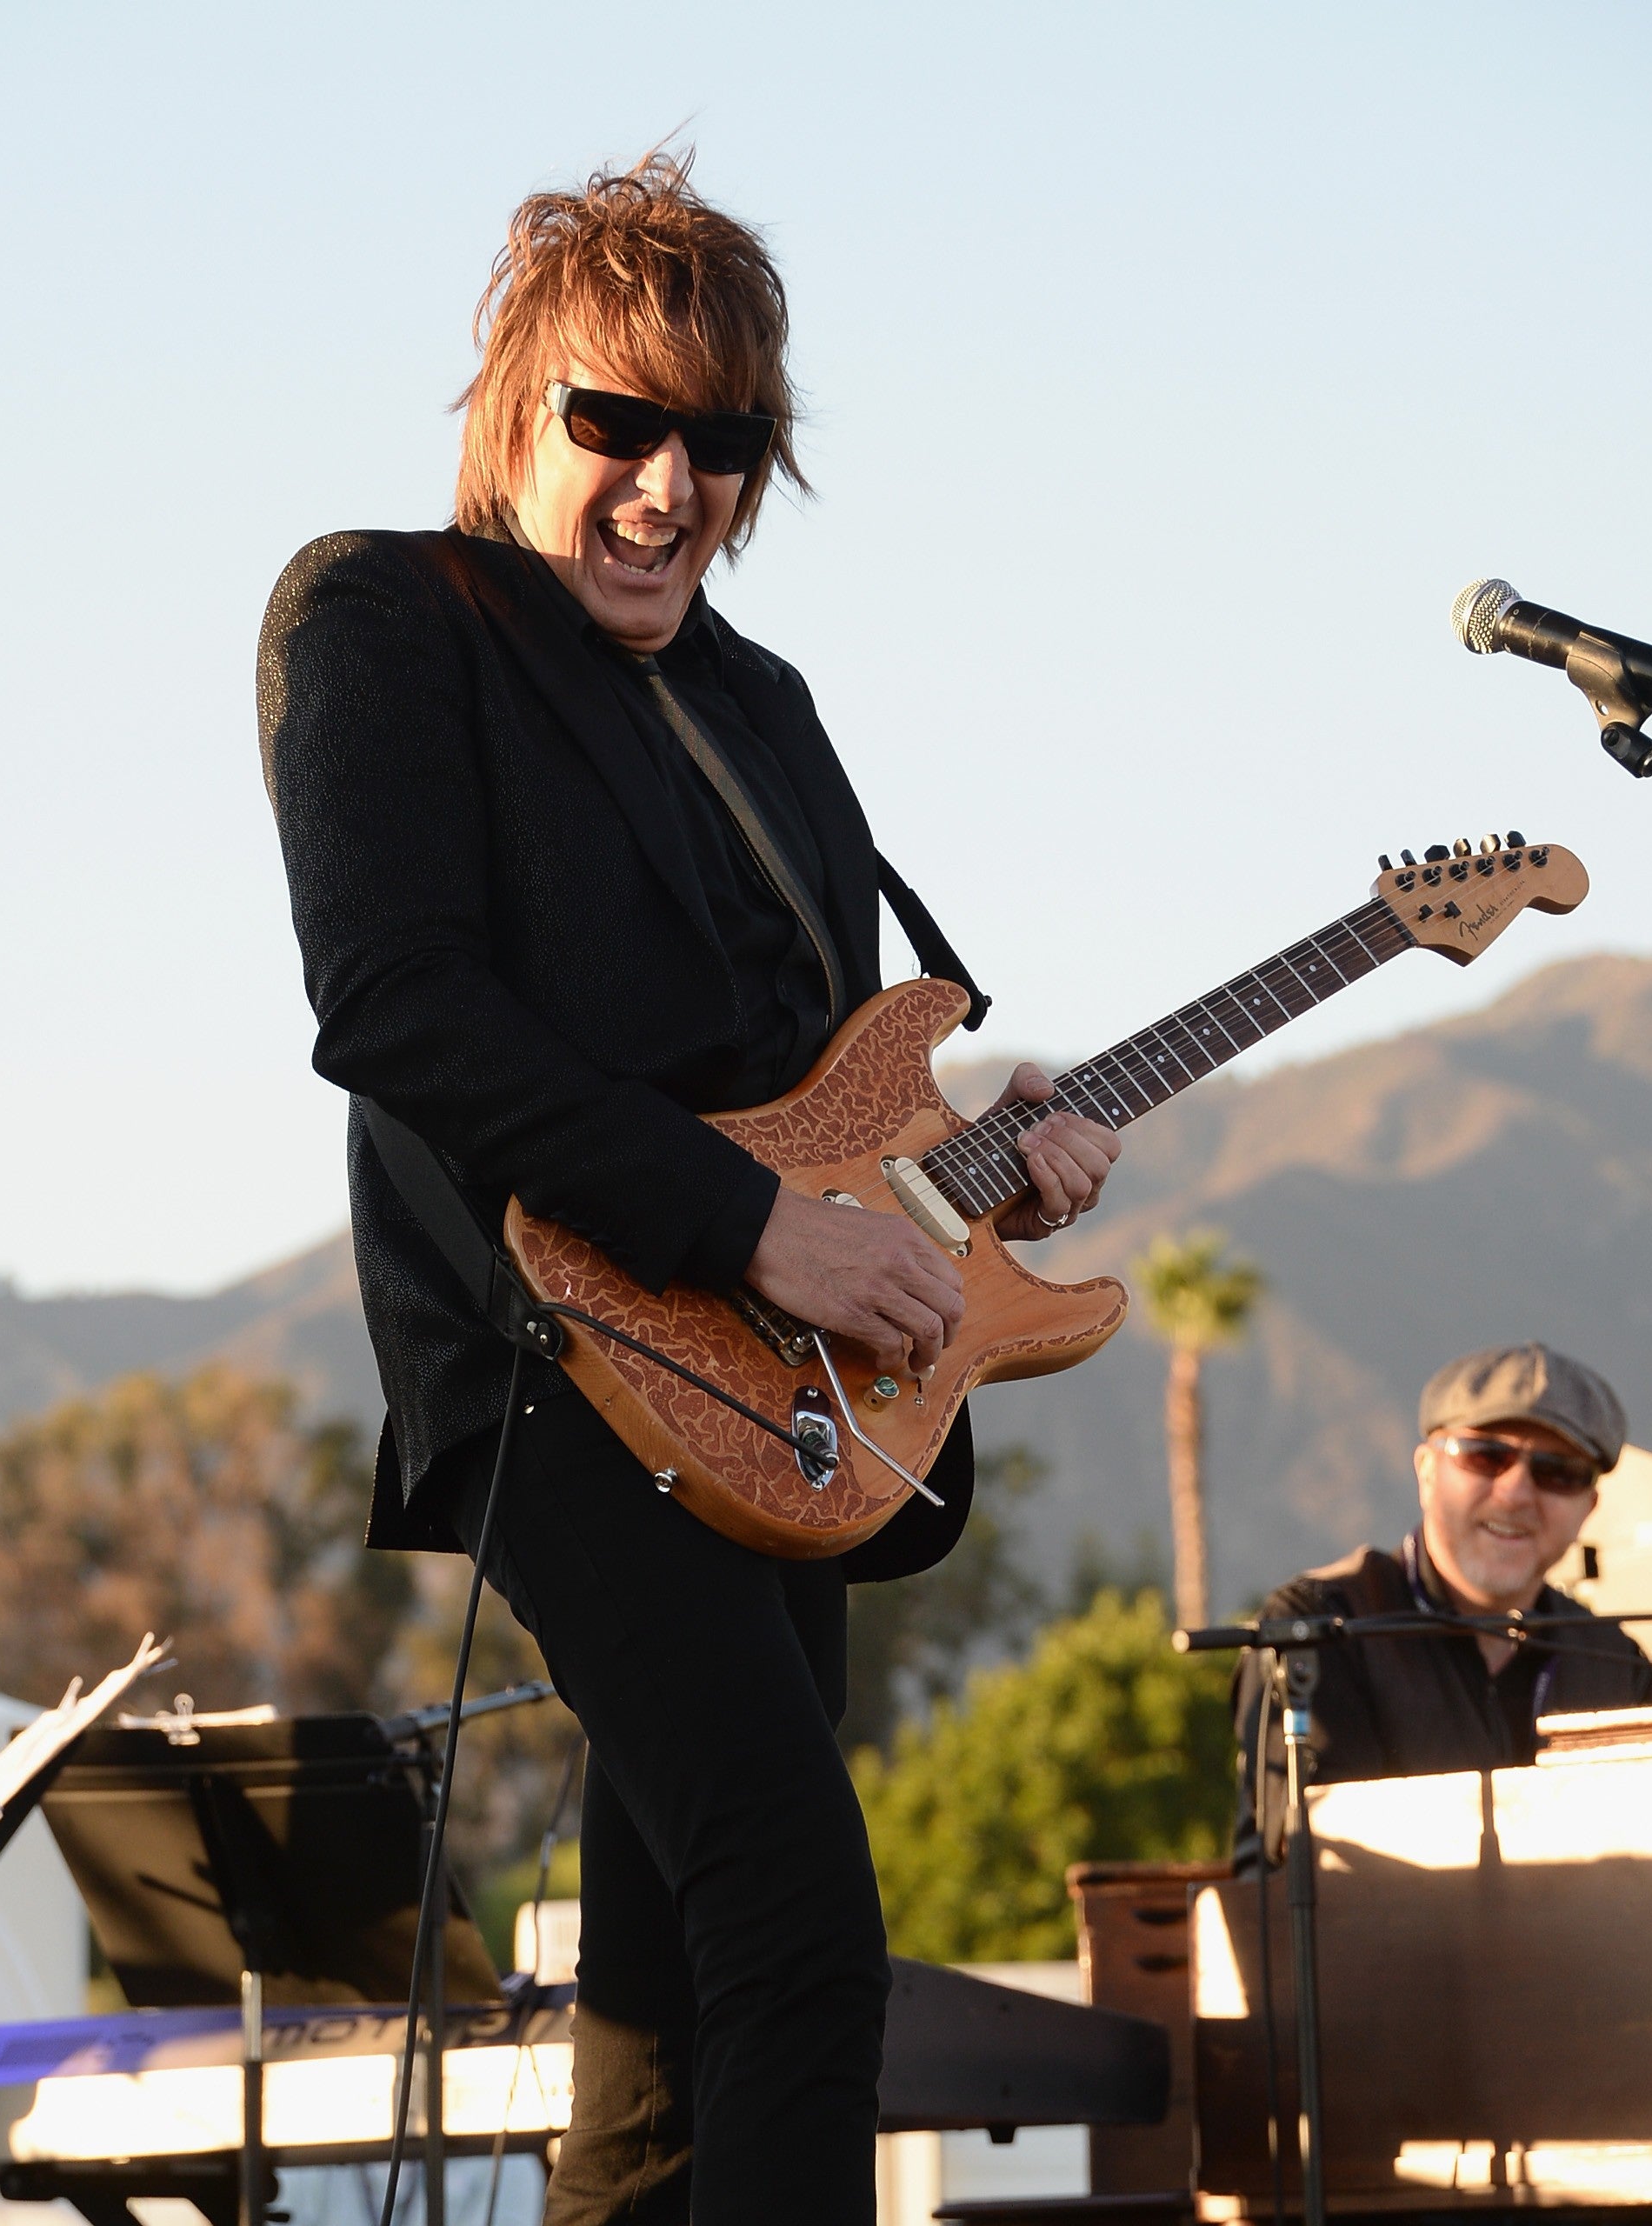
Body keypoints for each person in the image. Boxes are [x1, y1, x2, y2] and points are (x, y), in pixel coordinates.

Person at [258, 153, 1120, 2226]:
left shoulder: (762, 704)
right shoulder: (380, 614)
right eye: (614, 424)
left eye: (718, 444)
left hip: (785, 1391)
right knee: (801, 1929)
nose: (667, 486)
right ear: (511, 409)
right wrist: (743, 1226)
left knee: (661, 2019)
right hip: (554, 1354)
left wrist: (986, 1131)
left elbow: (820, 1087)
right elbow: (394, 1003)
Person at [1232, 1341, 1652, 1869]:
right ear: (1427, 1471)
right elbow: (1320, 1865)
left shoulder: (1614, 1661)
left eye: (1558, 1472)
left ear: (1588, 1508)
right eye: (1487, 1457)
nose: (1516, 1493)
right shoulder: (1318, 1628)